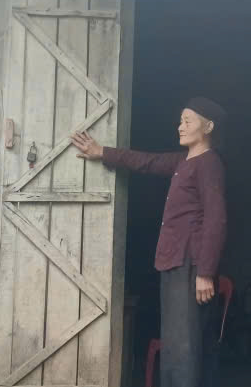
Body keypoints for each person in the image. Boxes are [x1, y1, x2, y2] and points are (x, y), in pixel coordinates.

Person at [72, 97, 228, 387]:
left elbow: (215, 219)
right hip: (175, 262)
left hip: (191, 264)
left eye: (187, 121)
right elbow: (146, 161)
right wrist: (101, 152)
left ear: (208, 127)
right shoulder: (183, 161)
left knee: (184, 347)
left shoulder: (209, 163)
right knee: (176, 344)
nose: (180, 126)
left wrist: (206, 272)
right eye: (180, 121)